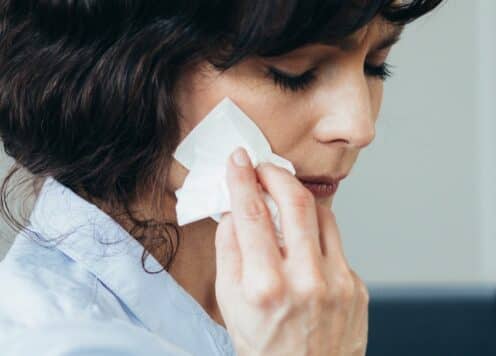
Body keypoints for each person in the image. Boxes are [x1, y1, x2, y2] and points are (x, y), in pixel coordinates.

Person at [0, 0, 441, 354]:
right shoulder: (59, 342)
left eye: (375, 66)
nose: (359, 127)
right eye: (294, 74)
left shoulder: (277, 308)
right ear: (124, 73)